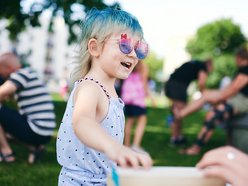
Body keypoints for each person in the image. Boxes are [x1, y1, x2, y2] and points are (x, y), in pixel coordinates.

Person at [56, 8, 153, 185]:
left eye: (139, 48)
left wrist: (122, 157)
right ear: (94, 48)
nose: (132, 54)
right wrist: (114, 148)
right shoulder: (90, 87)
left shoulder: (111, 92)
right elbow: (82, 121)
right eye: (124, 44)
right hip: (81, 181)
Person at [175, 46, 248, 155]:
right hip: (236, 99)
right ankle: (181, 115)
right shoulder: (241, 70)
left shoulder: (246, 70)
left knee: (215, 114)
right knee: (207, 98)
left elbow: (233, 89)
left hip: (243, 100)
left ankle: (195, 147)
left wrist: (219, 97)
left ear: (239, 57)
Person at [0, 52, 56, 163]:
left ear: (8, 68)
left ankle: (7, 153)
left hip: (36, 129)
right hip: (45, 132)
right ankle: (35, 148)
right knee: (6, 131)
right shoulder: (30, 73)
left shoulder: (21, 74)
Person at [165, 59, 213, 145]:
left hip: (171, 84)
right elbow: (201, 83)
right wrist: (205, 95)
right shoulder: (203, 67)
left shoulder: (195, 64)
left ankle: (178, 136)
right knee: (179, 113)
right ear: (209, 65)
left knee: (177, 112)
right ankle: (175, 138)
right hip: (178, 86)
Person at [121, 61, 152, 152]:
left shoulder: (129, 63)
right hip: (137, 97)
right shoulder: (143, 66)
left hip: (127, 96)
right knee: (142, 120)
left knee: (129, 121)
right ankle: (136, 145)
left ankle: (126, 146)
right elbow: (144, 82)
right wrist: (150, 96)